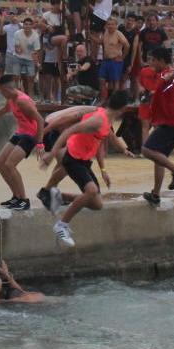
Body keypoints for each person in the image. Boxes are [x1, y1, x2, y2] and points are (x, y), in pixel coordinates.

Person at [40, 90, 131, 248]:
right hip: (73, 158)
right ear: (123, 108)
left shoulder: (107, 118)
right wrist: (51, 153)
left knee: (97, 204)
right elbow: (69, 130)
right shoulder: (98, 119)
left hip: (83, 161)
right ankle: (62, 225)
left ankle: (58, 196)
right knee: (91, 191)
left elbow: (106, 139)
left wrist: (107, 167)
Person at [0, 74, 44, 210]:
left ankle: (24, 200)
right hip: (20, 132)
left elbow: (40, 120)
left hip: (30, 135)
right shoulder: (11, 98)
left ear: (7, 89)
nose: (0, 94)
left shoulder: (22, 101)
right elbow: (5, 109)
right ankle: (16, 197)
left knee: (10, 165)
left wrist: (39, 143)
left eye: (1, 91)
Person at [140, 48, 174, 206]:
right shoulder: (167, 73)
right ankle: (155, 194)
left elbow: (172, 76)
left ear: (161, 60)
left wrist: (170, 75)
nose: (150, 63)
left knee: (147, 150)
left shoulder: (167, 74)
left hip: (173, 122)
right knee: (158, 157)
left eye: (153, 60)